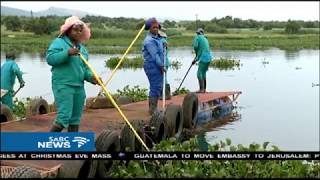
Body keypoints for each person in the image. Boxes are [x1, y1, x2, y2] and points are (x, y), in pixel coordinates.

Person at [46, 16, 100, 132]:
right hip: (63, 85)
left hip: (79, 87)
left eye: (81, 30)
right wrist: (67, 53)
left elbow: (84, 69)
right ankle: (48, 144)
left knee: (75, 118)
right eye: (75, 29)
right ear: (68, 30)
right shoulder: (59, 43)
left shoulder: (83, 50)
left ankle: (73, 145)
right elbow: (50, 59)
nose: (78, 32)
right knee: (64, 116)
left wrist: (92, 78)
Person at [142, 17, 165, 115]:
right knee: (155, 87)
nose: (156, 29)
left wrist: (164, 43)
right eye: (154, 27)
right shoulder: (149, 41)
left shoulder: (157, 38)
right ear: (150, 29)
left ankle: (153, 108)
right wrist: (161, 66)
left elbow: (161, 45)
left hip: (156, 65)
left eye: (157, 27)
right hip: (152, 65)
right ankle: (152, 110)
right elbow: (155, 55)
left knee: (157, 86)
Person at [192, 28, 213, 93]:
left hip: (204, 57)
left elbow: (195, 46)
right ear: (202, 33)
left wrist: (195, 58)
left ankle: (201, 89)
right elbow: (201, 50)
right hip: (209, 57)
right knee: (203, 73)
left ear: (197, 33)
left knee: (199, 73)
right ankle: (204, 89)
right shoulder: (205, 38)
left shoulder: (197, 37)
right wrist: (195, 59)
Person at [159, 29, 171, 100]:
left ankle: (166, 95)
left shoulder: (162, 41)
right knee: (164, 78)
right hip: (165, 61)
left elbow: (163, 52)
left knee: (163, 78)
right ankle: (166, 95)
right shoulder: (164, 40)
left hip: (164, 62)